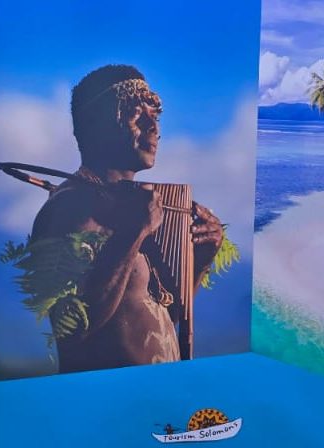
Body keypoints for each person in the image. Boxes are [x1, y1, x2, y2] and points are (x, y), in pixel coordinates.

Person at [27, 64, 224, 373]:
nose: (154, 128)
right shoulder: (69, 208)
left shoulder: (135, 205)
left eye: (155, 117)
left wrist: (199, 259)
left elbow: (160, 314)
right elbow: (71, 332)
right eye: (137, 115)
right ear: (99, 124)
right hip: (107, 401)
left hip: (151, 400)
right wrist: (131, 234)